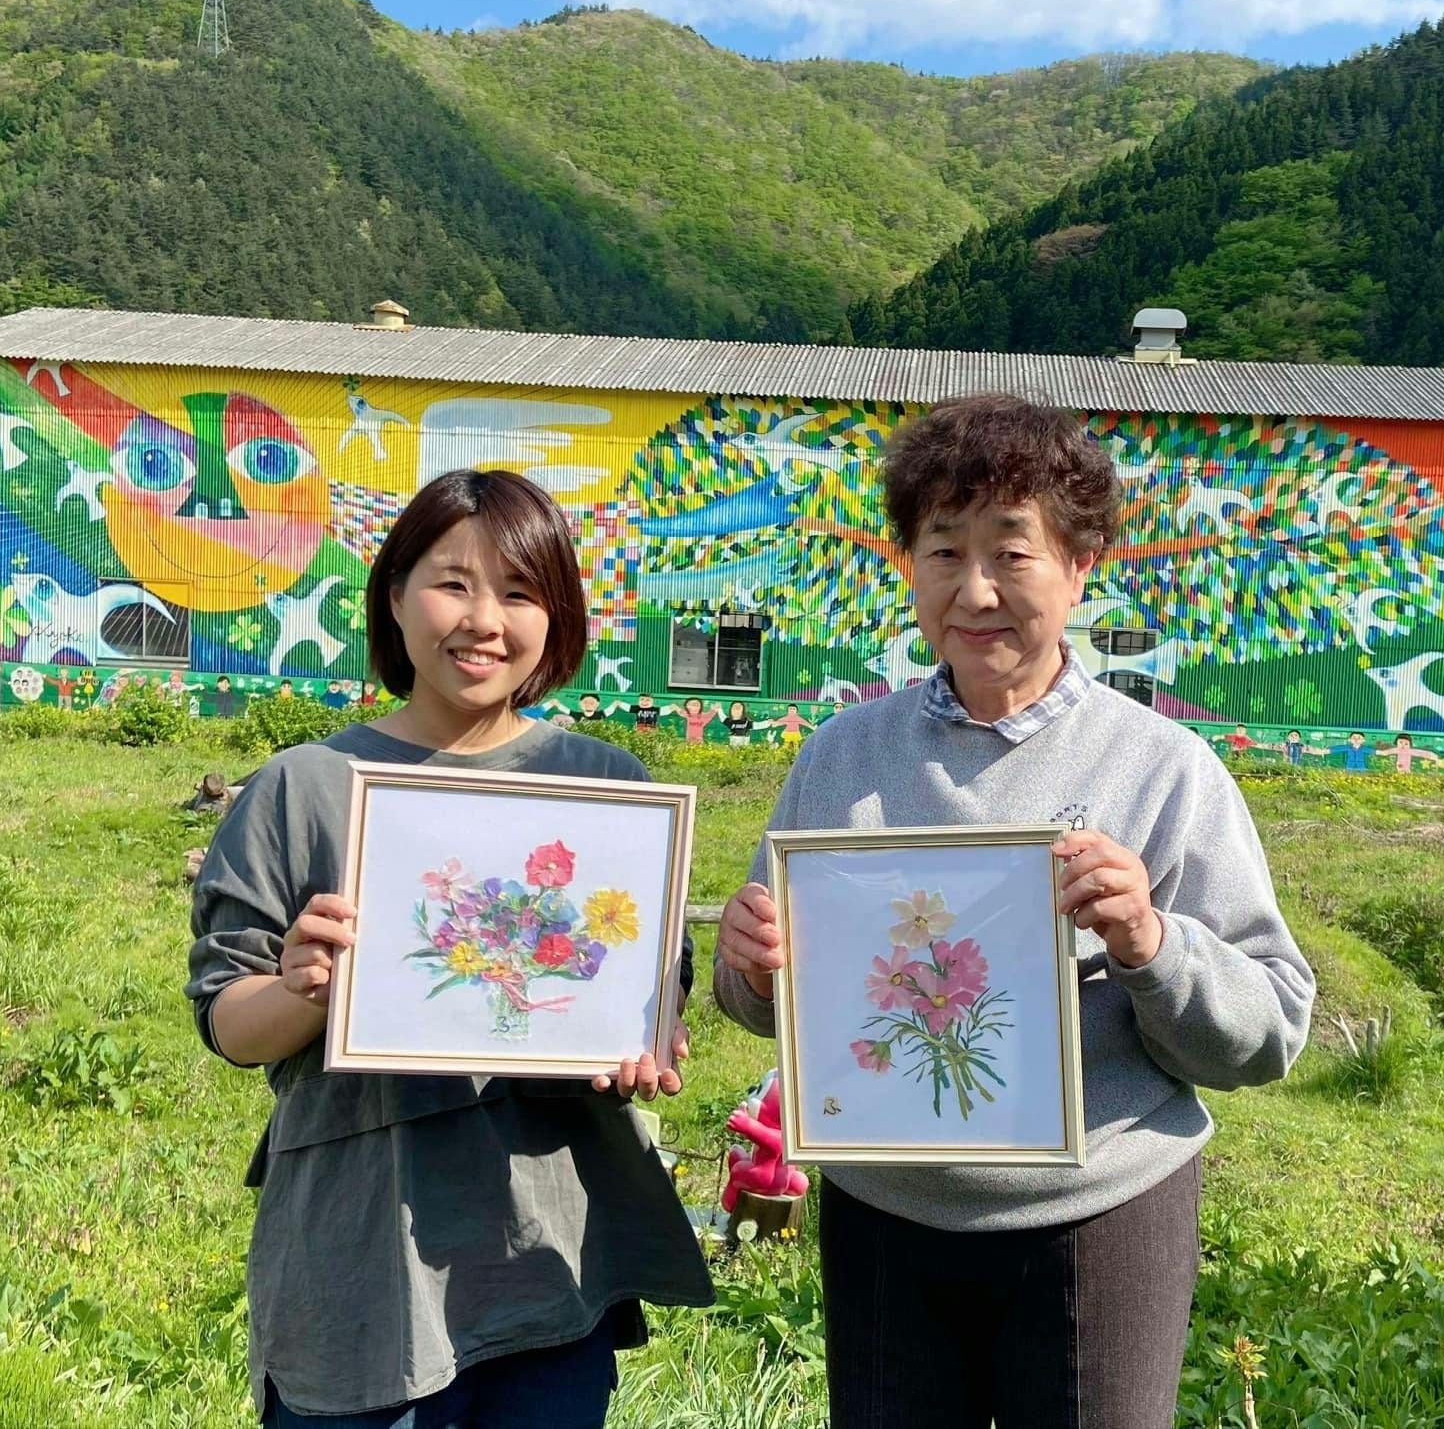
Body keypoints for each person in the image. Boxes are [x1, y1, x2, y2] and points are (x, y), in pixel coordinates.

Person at [715, 394, 1314, 1429]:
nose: (976, 589)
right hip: (883, 1214)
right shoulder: (842, 757)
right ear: (907, 565)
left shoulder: (1162, 768)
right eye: (944, 551)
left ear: (1080, 567)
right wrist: (752, 967)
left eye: (1012, 552)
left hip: (1099, 1214)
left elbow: (1268, 1031)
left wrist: (1151, 941)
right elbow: (771, 1007)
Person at [186, 468, 713, 1427]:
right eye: (453, 584)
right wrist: (303, 987)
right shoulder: (306, 786)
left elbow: (652, 989)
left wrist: (649, 1039)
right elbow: (227, 1020)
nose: (484, 621)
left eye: (519, 592)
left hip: (553, 1253)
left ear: (557, 619)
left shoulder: (605, 787)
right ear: (395, 597)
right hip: (363, 1255)